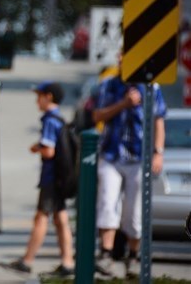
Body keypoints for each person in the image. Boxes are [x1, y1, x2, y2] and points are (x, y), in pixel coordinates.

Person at [92, 70, 166, 279]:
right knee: (107, 203)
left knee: (134, 212)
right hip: (111, 154)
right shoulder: (109, 84)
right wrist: (124, 104)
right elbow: (97, 115)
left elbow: (159, 120)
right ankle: (105, 254)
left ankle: (133, 256)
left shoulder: (152, 87)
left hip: (139, 157)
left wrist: (158, 153)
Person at [0, 82, 74, 279]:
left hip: (51, 177)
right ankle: (68, 261)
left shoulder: (50, 120)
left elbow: (49, 151)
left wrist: (36, 148)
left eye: (39, 96)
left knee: (41, 218)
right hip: (61, 177)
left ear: (48, 97)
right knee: (60, 219)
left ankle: (27, 261)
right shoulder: (60, 118)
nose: (36, 101)